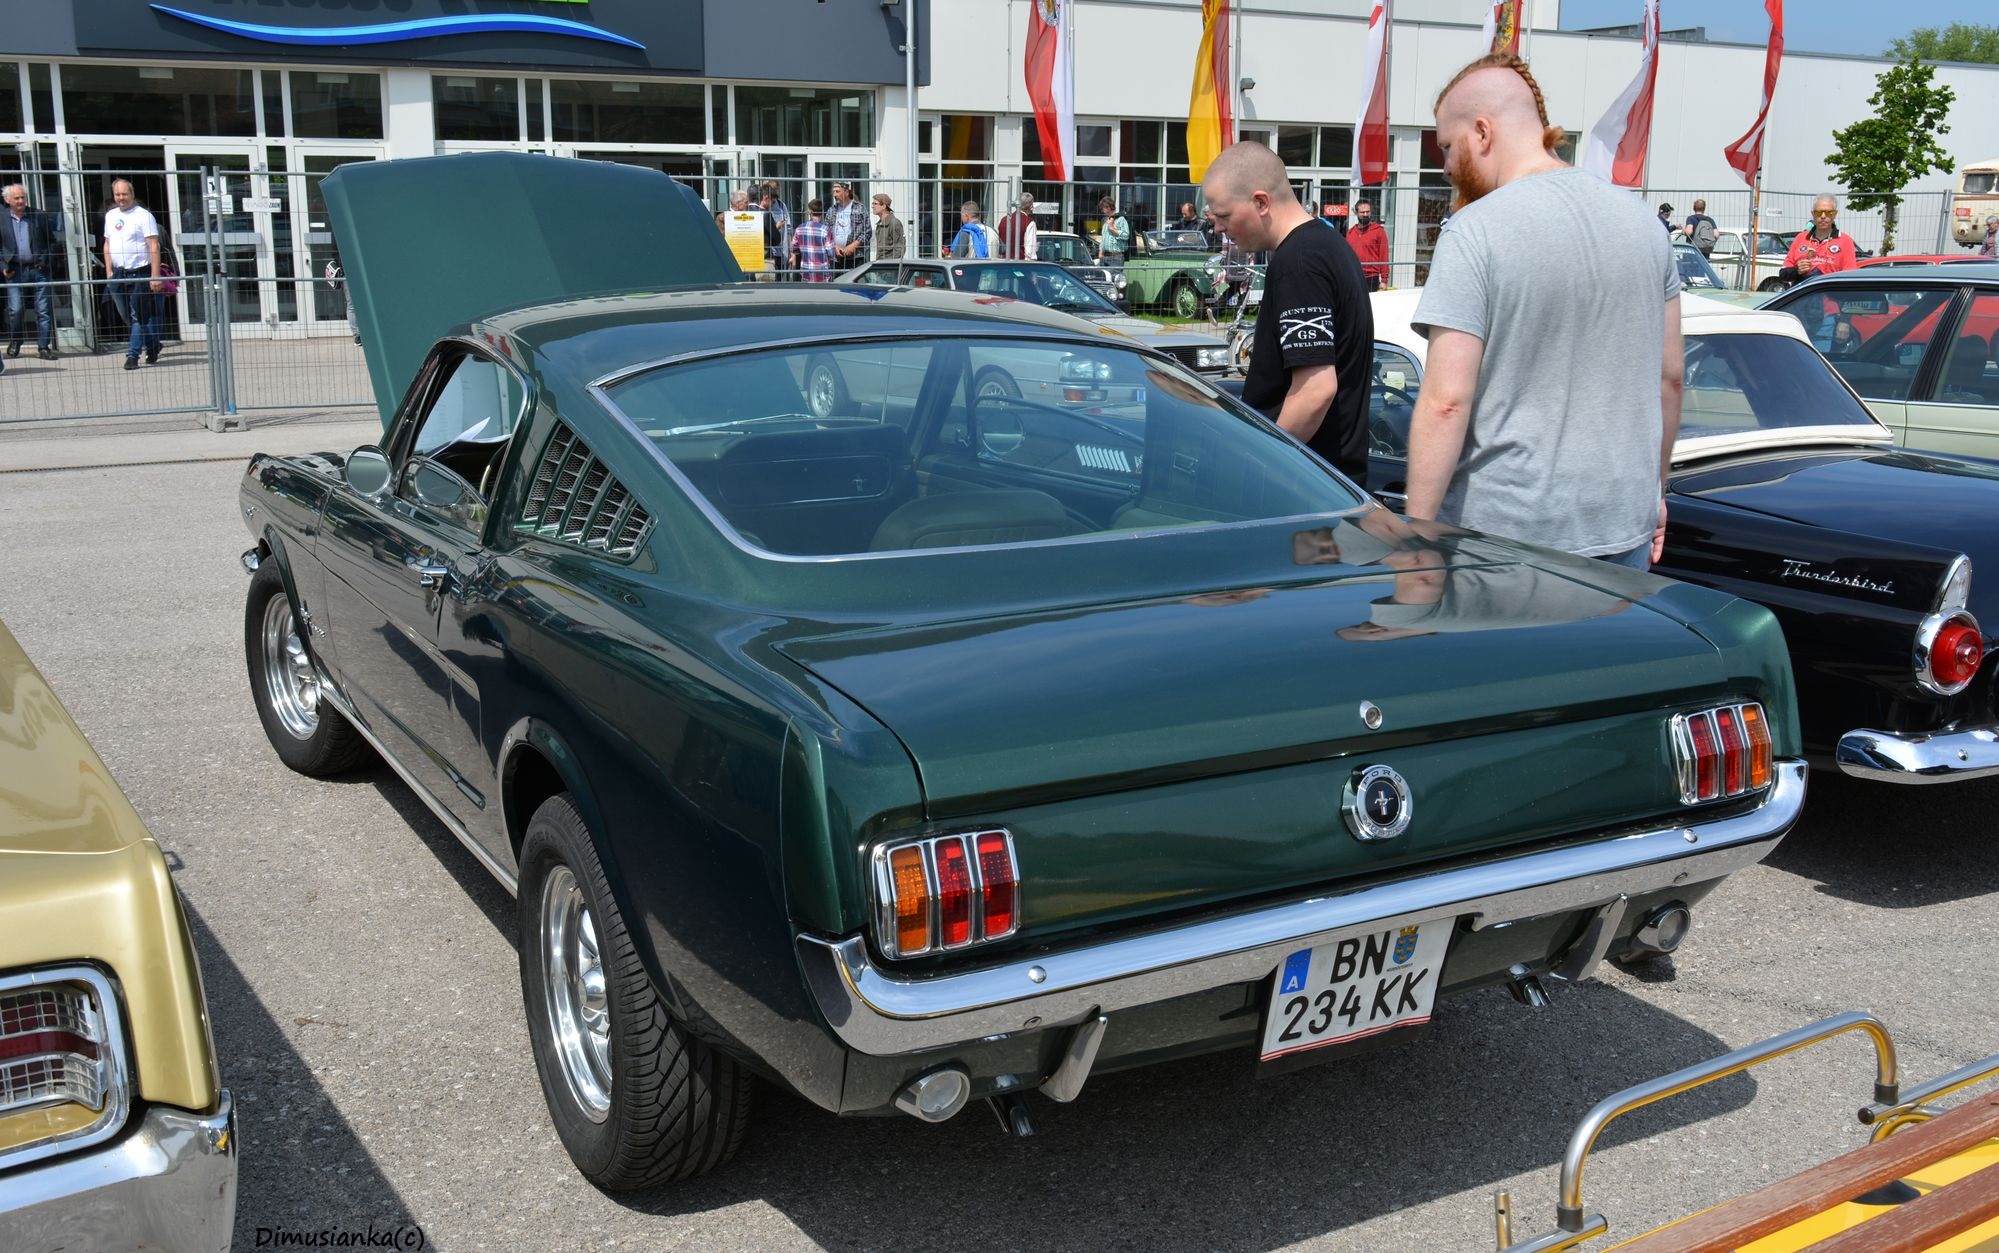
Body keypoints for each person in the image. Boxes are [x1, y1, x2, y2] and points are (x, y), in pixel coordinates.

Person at [1402, 54, 1681, 569]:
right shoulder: (1646, 226)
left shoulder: (1473, 231)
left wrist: (1417, 542)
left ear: (1482, 132)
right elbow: (1669, 381)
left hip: (1504, 540)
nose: (1444, 166)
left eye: (1446, 146)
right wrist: (1655, 493)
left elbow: (1446, 402)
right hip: (1624, 528)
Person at [1202, 141, 1374, 484]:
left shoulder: (1299, 263)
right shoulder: (1327, 246)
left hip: (1309, 488)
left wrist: (1260, 465)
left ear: (1261, 202)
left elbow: (1315, 390)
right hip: (1332, 482)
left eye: (1224, 216)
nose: (1219, 229)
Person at [102, 178, 164, 369]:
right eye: (117, 194)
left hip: (140, 273)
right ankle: (153, 344)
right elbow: (107, 243)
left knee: (138, 316)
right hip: (118, 274)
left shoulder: (144, 216)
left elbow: (153, 245)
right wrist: (109, 271)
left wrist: (155, 276)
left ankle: (133, 355)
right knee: (127, 315)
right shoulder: (111, 215)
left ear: (132, 194)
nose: (121, 198)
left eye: (124, 194)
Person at [2, 183, 61, 361]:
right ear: (7, 200)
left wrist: (45, 260)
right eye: (17, 198)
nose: (21, 201)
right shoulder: (2, 218)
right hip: (14, 270)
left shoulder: (38, 215)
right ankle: (16, 340)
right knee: (16, 309)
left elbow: (51, 241)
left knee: (43, 309)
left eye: (23, 197)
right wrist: (3, 266)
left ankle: (44, 347)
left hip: (38, 269)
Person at [1784, 194, 1859, 280]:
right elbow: (1783, 274)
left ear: (1835, 214)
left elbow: (1849, 277)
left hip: (1829, 291)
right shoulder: (1801, 238)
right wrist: (1797, 271)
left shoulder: (1845, 241)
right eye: (1818, 212)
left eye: (1828, 212)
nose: (1823, 216)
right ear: (1813, 214)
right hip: (1803, 291)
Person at [825, 180, 872, 271]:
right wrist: (834, 246)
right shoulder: (832, 210)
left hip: (855, 258)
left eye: (837, 192)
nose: (834, 195)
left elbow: (867, 231)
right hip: (835, 259)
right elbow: (826, 233)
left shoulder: (859, 208)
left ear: (846, 192)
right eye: (833, 192)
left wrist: (853, 246)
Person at [1347, 197, 1390, 292]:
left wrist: (1384, 280)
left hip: (1371, 278)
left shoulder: (1379, 231)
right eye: (1362, 212)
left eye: (1368, 211)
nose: (1366, 214)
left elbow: (1384, 256)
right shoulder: (1350, 233)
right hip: (1353, 276)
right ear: (1356, 213)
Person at [789, 199, 833, 281]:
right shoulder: (825, 230)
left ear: (810, 211)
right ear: (821, 211)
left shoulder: (800, 229)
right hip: (822, 272)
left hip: (806, 272)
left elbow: (793, 248)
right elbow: (830, 252)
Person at [996, 193, 1038, 260]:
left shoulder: (1004, 220)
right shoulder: (1029, 222)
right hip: (1020, 263)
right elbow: (1030, 251)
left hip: (1003, 261)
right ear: (1031, 206)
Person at [871, 192, 906, 260]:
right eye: (872, 203)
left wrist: (891, 267)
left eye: (875, 204)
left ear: (884, 206)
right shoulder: (880, 224)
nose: (872, 206)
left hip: (889, 267)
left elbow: (899, 249)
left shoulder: (894, 223)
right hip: (881, 265)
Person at [1096, 196, 1132, 264]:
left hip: (1116, 257)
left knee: (1115, 275)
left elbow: (1126, 235)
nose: (1102, 211)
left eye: (1102, 208)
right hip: (1104, 257)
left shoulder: (1121, 219)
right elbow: (1103, 239)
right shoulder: (1106, 221)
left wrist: (1112, 228)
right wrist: (1100, 253)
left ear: (1108, 207)